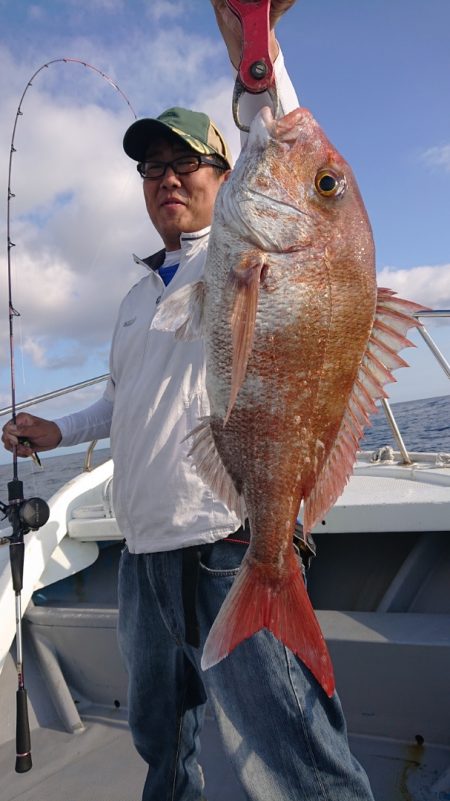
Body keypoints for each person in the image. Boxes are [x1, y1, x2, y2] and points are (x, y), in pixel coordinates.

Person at [3, 3, 375, 800]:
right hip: (142, 558)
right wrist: (54, 428)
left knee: (298, 750)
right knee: (162, 743)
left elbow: (274, 129)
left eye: (186, 164)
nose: (167, 178)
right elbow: (119, 402)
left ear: (224, 174)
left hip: (225, 543)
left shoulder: (246, 251)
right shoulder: (139, 294)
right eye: (150, 169)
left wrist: (252, 39)